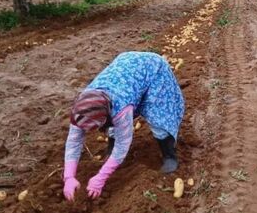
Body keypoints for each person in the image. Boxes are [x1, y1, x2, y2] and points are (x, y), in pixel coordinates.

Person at [62, 51, 185, 201]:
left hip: (152, 69)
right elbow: (74, 141)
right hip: (126, 68)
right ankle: (111, 153)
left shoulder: (121, 109)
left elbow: (123, 144)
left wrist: (102, 176)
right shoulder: (83, 107)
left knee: (158, 113)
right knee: (112, 127)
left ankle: (169, 155)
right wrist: (69, 177)